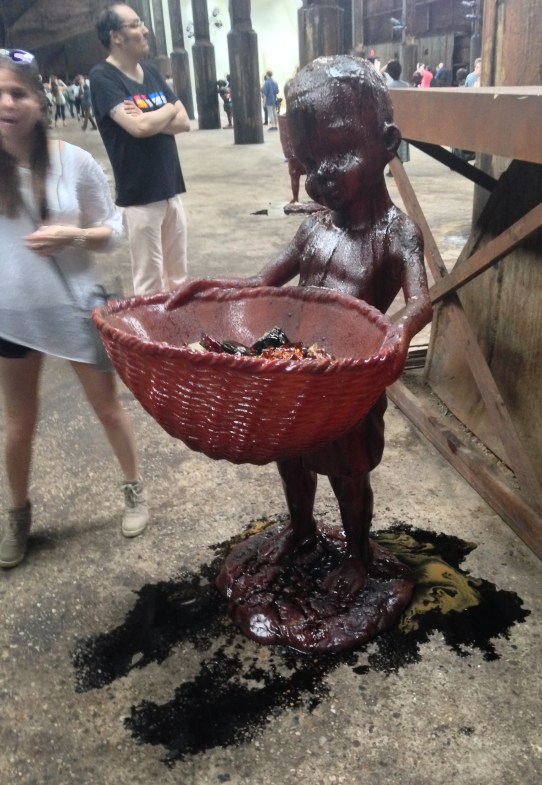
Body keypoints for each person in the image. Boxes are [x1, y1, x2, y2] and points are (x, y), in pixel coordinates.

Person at [168, 55, 431, 598]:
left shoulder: (393, 232)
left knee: (348, 472)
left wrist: (397, 334)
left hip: (348, 382)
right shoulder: (313, 231)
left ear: (387, 141)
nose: (324, 176)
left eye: (339, 151)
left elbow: (420, 303)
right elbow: (261, 281)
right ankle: (303, 528)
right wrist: (210, 288)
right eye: (312, 161)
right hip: (294, 371)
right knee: (292, 457)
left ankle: (358, 557)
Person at [0, 49, 149, 568]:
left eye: (17, 92)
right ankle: (16, 515)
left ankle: (134, 489)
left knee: (107, 409)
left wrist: (77, 234)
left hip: (75, 307)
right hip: (13, 316)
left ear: (40, 99)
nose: (6, 103)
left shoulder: (74, 161)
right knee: (18, 425)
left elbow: (114, 229)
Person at [90, 5, 190, 296]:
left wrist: (158, 114)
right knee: (150, 285)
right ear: (116, 37)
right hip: (140, 197)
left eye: (142, 23)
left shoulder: (150, 72)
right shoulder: (103, 78)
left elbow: (183, 122)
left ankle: (177, 338)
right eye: (135, 25)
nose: (145, 30)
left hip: (171, 189)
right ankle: (150, 340)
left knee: (179, 280)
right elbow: (139, 129)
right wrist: (169, 108)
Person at [382, 60, 411, 175]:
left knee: (391, 144)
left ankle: (392, 168)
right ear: (400, 71)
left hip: (391, 119)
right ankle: (399, 166)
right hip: (404, 119)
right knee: (402, 144)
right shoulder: (406, 86)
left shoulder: (386, 87)